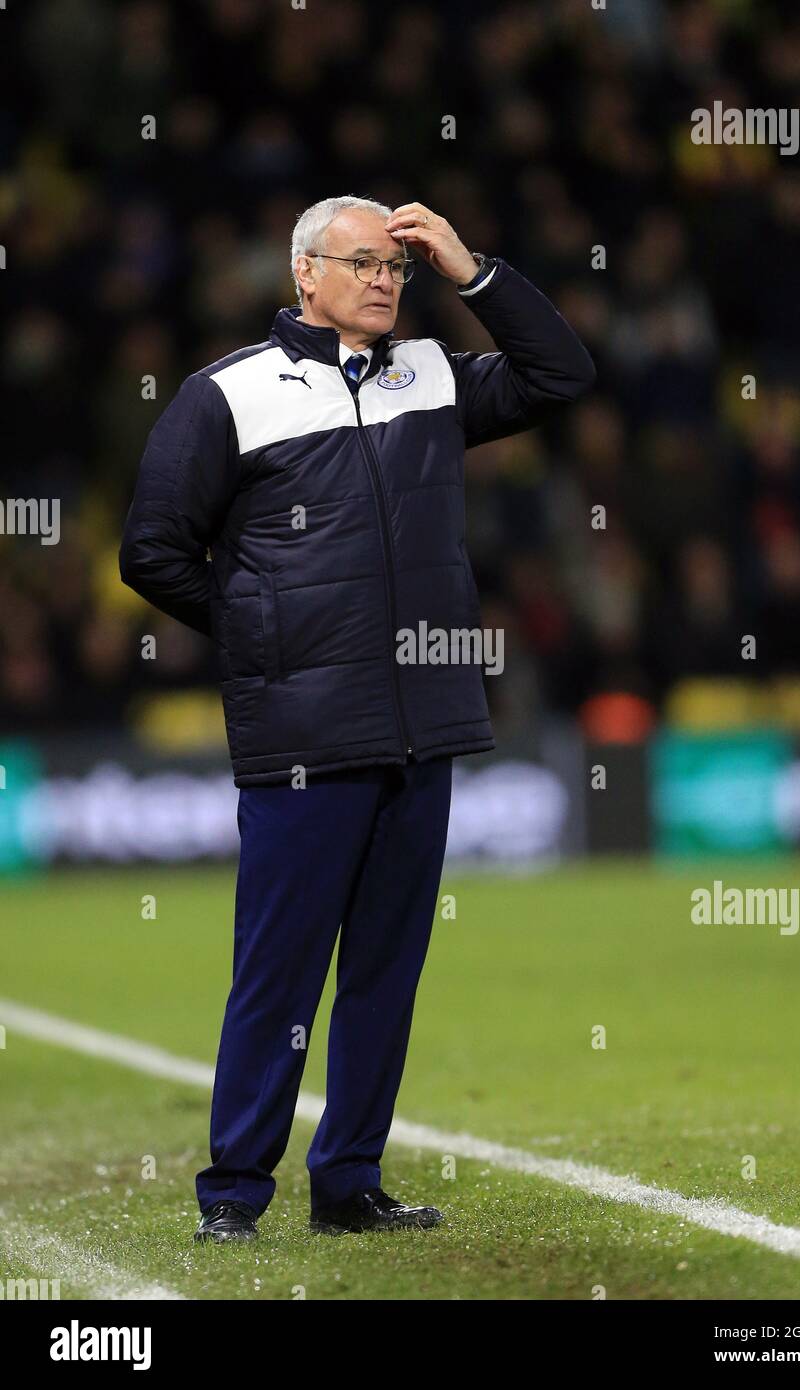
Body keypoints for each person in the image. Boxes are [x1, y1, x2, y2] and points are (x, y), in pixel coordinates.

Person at [118, 195, 596, 1240]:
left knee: (385, 968)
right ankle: (234, 1196)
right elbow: (151, 548)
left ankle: (348, 1183)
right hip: (302, 735)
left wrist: (472, 274)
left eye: (397, 266)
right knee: (276, 973)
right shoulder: (226, 395)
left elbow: (561, 374)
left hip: (422, 724)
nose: (385, 279)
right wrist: (262, 630)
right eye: (363, 262)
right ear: (303, 272)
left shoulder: (427, 372)